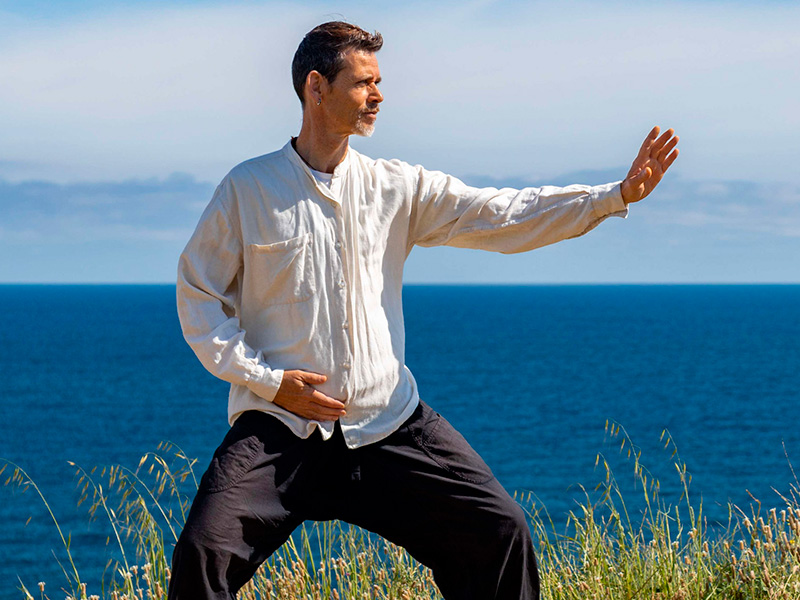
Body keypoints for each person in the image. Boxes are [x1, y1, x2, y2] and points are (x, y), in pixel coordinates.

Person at [170, 20, 679, 600]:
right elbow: (198, 296)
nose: (379, 95)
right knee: (202, 556)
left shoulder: (396, 187)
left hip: (388, 423)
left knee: (500, 532)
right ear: (316, 88)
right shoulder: (248, 189)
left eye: (379, 81)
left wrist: (613, 196)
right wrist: (270, 382)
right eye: (364, 83)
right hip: (282, 426)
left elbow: (501, 214)